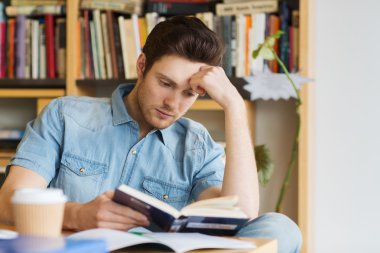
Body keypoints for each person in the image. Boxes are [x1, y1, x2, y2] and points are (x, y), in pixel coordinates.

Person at [0, 16, 301, 252]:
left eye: (189, 93)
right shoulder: (66, 116)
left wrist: (234, 105)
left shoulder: (196, 146)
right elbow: (7, 201)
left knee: (280, 228)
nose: (173, 104)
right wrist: (77, 215)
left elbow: (243, 214)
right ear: (142, 65)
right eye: (166, 83)